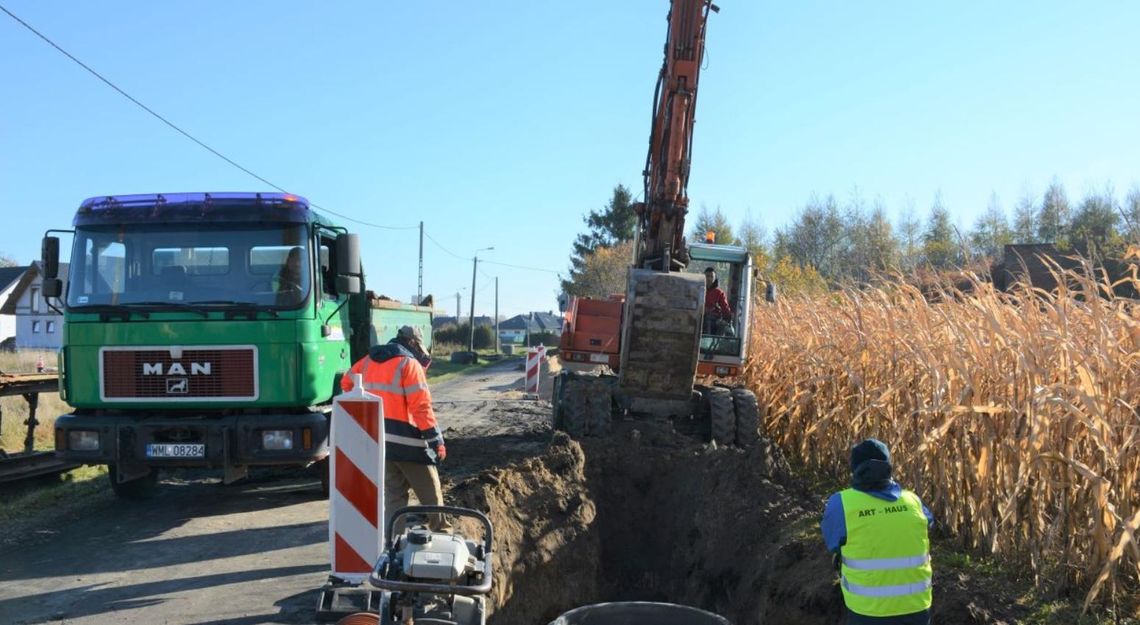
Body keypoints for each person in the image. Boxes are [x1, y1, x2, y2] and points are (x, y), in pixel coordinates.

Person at [340, 325, 446, 532]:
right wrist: (436, 440)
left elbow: (346, 384)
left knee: (394, 496)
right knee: (430, 493)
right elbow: (421, 407)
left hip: (380, 441)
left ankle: (392, 541)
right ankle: (442, 532)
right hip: (410, 443)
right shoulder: (409, 364)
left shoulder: (367, 361)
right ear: (413, 343)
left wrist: (364, 416)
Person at [821, 439, 935, 624]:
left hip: (868, 612)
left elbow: (833, 542)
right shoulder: (913, 501)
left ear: (855, 468)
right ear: (888, 466)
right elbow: (928, 525)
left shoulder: (841, 503)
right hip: (917, 609)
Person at [703, 267, 733, 335]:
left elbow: (725, 308)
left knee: (711, 321)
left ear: (715, 278)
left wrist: (728, 317)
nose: (709, 279)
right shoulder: (698, 289)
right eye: (707, 276)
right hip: (698, 316)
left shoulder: (718, 292)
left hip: (713, 319)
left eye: (711, 276)